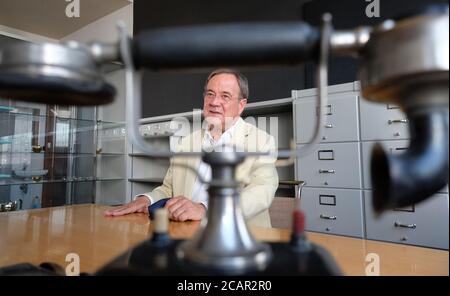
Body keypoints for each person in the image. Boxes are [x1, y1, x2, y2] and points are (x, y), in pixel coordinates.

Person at [104, 69, 278, 227]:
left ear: (241, 105)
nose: (214, 102)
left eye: (225, 96)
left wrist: (205, 209)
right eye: (210, 94)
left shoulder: (262, 141)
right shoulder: (187, 142)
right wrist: (146, 199)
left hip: (240, 238)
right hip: (186, 234)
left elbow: (261, 192)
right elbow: (168, 189)